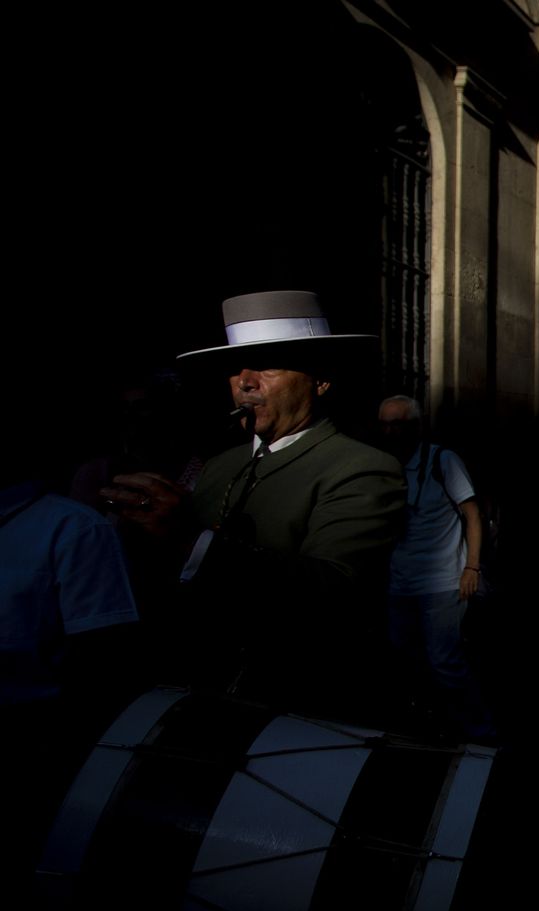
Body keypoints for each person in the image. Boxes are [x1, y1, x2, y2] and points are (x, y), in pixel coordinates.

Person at [101, 290, 406, 719]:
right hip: (198, 695)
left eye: (267, 366)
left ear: (320, 380)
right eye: (235, 369)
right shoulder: (221, 465)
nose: (244, 382)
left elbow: (334, 594)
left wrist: (191, 541)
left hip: (295, 707)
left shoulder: (362, 467)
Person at [376, 395, 496, 740]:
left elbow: (472, 515)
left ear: (416, 426)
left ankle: (480, 734)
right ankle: (429, 726)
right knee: (406, 660)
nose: (389, 432)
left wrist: (471, 568)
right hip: (399, 585)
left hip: (442, 583)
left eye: (397, 424)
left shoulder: (442, 460)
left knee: (445, 662)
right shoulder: (382, 465)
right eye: (384, 425)